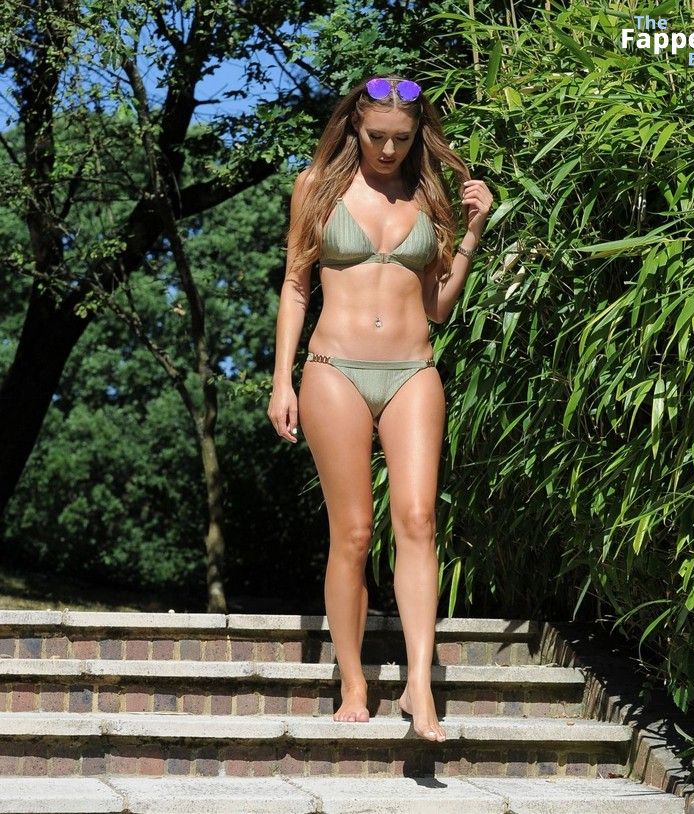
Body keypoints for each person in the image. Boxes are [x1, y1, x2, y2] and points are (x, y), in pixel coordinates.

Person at [267, 74, 493, 743]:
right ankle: (353, 680)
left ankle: (419, 682)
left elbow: (437, 307)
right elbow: (296, 285)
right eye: (376, 137)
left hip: (413, 371)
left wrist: (473, 232)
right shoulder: (316, 187)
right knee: (355, 534)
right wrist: (281, 381)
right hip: (333, 369)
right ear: (354, 128)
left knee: (418, 519)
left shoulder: (431, 195)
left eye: (401, 139)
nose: (388, 150)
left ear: (417, 136)